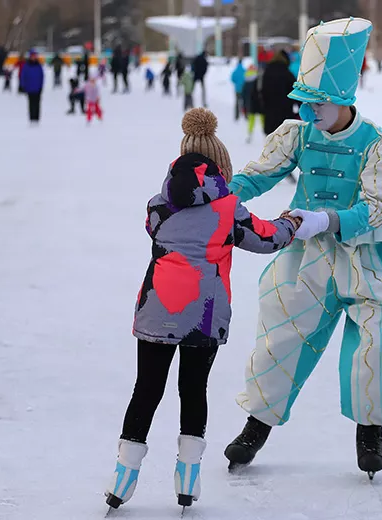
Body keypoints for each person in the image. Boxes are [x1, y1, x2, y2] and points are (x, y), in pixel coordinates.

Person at [223, 17, 382, 479]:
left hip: (370, 256)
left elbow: (375, 208)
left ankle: (370, 430)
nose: (308, 113)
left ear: (343, 101)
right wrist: (218, 195)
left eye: (318, 105)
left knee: (374, 345)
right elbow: (257, 175)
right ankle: (256, 425)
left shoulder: (381, 145)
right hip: (306, 256)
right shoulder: (298, 133)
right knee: (281, 335)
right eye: (305, 105)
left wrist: (325, 219)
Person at [103, 108, 299, 511]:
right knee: (193, 391)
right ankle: (188, 479)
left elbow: (156, 229)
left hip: (157, 309)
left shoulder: (158, 206)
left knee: (147, 389)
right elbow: (267, 239)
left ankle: (122, 479)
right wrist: (291, 222)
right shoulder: (229, 209)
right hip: (203, 316)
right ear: (222, 167)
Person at [260, 50, 297, 136]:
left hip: (269, 113)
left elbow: (262, 91)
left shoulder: (266, 72)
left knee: (271, 143)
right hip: (285, 114)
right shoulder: (287, 73)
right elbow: (295, 92)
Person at [21, 52, 45, 124]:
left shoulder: (39, 66)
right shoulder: (27, 66)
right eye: (32, 56)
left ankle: (36, 118)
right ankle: (31, 118)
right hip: (29, 88)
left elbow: (42, 77)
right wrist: (23, 85)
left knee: (37, 103)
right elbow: (23, 76)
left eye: (35, 56)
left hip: (37, 88)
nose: (33, 57)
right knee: (31, 103)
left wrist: (41, 86)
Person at [242, 65, 262, 143]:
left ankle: (249, 135)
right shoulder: (258, 80)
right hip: (259, 103)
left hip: (250, 104)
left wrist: (244, 106)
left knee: (251, 121)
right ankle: (265, 135)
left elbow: (243, 95)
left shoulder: (246, 81)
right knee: (262, 120)